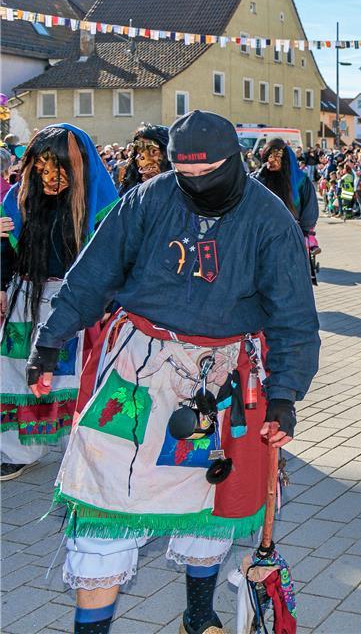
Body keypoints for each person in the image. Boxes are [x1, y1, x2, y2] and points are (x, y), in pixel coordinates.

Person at [25, 111, 319, 634]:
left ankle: (199, 615)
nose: (197, 185)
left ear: (236, 163)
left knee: (210, 504)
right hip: (136, 372)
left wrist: (285, 396)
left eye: (209, 175)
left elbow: (294, 317)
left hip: (222, 380)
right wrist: (49, 341)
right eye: (187, 174)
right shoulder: (148, 198)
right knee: (103, 501)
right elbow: (93, 274)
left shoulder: (271, 219)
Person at [1, 124, 118, 480]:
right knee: (15, 374)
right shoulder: (18, 199)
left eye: (59, 169)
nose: (50, 178)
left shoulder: (104, 204)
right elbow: (6, 248)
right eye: (42, 168)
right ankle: (16, 451)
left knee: (76, 379)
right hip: (26, 295)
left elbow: (117, 262)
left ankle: (83, 455)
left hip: (76, 304)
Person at [251, 138, 321, 260]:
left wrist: (304, 232)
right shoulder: (259, 179)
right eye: (269, 157)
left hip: (292, 236)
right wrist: (260, 175)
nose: (273, 162)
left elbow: (310, 209)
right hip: (262, 236)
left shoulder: (302, 181)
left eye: (277, 157)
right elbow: (246, 195)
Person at [118, 124, 171, 195]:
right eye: (138, 152)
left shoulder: (183, 189)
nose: (139, 158)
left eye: (153, 151)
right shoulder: (130, 184)